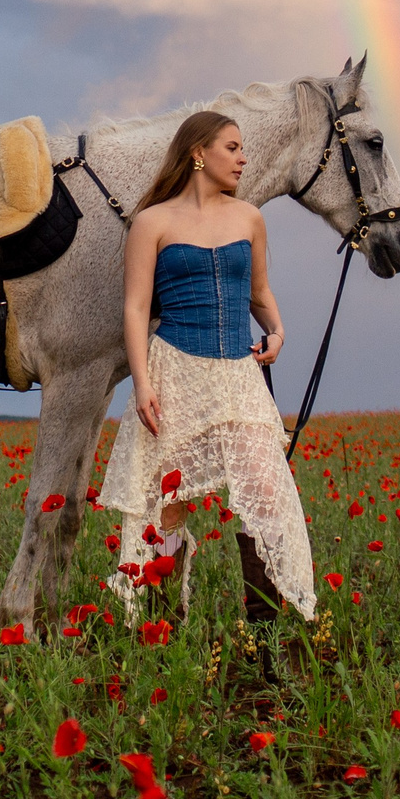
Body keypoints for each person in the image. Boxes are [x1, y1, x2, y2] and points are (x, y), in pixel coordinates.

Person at [98, 109, 317, 653]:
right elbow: (134, 309)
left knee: (263, 495)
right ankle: (162, 634)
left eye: (243, 149)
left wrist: (278, 331)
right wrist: (142, 384)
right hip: (174, 371)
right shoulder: (153, 223)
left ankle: (262, 641)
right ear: (199, 152)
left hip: (238, 376)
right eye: (232, 147)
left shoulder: (249, 219)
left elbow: (259, 295)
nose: (244, 158)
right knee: (168, 504)